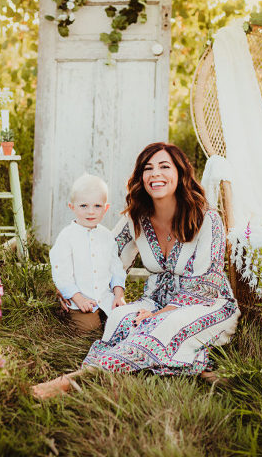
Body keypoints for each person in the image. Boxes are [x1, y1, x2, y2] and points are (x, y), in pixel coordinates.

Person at [33, 142, 240, 399]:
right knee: (121, 319)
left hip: (206, 304)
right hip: (153, 302)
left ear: (180, 172)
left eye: (164, 166)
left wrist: (160, 313)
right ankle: (187, 367)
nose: (155, 174)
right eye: (148, 168)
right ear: (141, 176)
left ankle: (75, 380)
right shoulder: (137, 216)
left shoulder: (207, 218)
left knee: (165, 324)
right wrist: (69, 288)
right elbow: (107, 258)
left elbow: (207, 284)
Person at [49, 173, 128, 332]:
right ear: (72, 207)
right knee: (90, 331)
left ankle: (108, 318)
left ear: (105, 208)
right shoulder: (67, 237)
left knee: (125, 324)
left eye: (97, 206)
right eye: (84, 206)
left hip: (106, 299)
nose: (91, 212)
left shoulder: (106, 236)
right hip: (80, 301)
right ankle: (65, 314)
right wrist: (78, 298)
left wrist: (118, 295)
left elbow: (115, 267)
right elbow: (62, 273)